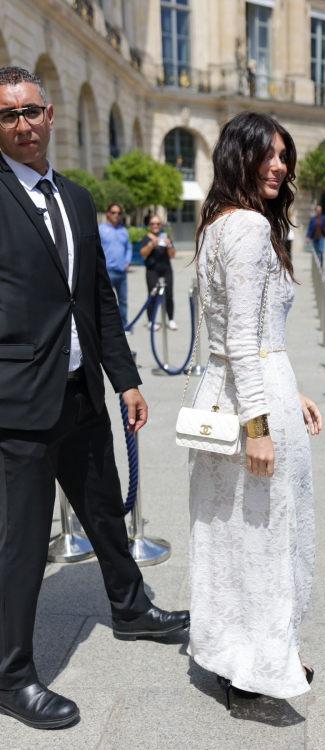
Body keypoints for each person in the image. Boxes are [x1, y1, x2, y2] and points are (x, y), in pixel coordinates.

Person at [0, 66, 189, 730]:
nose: (23, 124)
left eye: (31, 111)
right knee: (21, 545)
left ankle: (130, 607)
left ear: (50, 115)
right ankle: (12, 673)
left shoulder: (77, 199)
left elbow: (99, 302)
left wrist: (127, 377)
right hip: (17, 405)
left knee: (105, 509)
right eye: (8, 115)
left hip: (82, 395)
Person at [189, 111, 321, 709]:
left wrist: (286, 389)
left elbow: (238, 334)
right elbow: (245, 338)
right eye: (266, 155)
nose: (279, 166)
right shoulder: (245, 227)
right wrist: (262, 426)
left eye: (283, 155)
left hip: (230, 392)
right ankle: (259, 663)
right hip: (250, 404)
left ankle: (233, 653)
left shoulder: (217, 222)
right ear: (237, 158)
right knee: (265, 533)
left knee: (227, 534)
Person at [139, 215, 177, 331]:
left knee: (169, 295)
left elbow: (172, 255)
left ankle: (170, 320)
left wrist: (168, 245)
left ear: (161, 225)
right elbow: (143, 254)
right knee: (152, 294)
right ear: (149, 225)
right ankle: (151, 321)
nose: (155, 226)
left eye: (158, 224)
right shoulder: (146, 238)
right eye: (153, 224)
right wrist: (151, 244)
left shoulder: (166, 237)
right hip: (152, 269)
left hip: (166, 269)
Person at [98, 202, 132, 331]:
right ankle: (107, 327)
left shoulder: (123, 230)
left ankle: (124, 326)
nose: (116, 215)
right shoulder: (100, 229)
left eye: (119, 213)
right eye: (113, 212)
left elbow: (128, 248)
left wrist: (127, 262)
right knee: (106, 301)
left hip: (121, 272)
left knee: (123, 300)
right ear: (108, 213)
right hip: (107, 272)